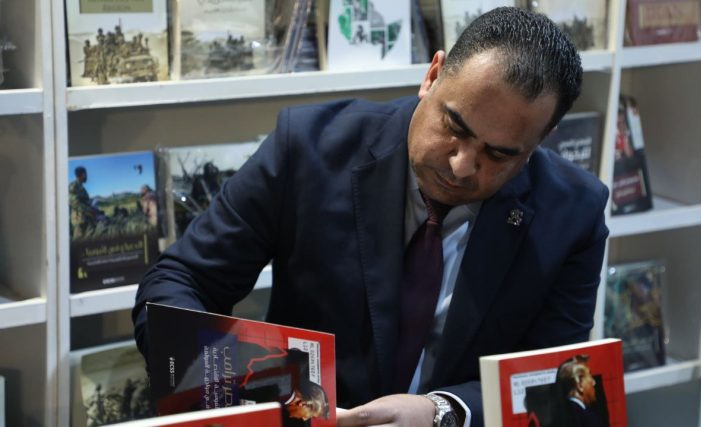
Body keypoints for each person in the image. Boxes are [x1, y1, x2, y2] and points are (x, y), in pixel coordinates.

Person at [133, 7, 608, 427]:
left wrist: (445, 413)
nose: (462, 165)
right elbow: (180, 280)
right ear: (432, 75)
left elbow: (561, 380)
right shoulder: (308, 148)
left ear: (542, 138)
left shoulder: (574, 213)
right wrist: (235, 382)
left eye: (499, 154)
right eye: (454, 126)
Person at [556, 355, 605, 427]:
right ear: (580, 385)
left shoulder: (563, 415)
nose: (594, 383)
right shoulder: (586, 417)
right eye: (590, 377)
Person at [69, 166, 96, 240]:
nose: (87, 177)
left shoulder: (81, 187)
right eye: (86, 174)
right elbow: (74, 202)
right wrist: (89, 210)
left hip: (85, 219)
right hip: (79, 220)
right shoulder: (73, 185)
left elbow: (83, 201)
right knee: (79, 242)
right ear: (83, 174)